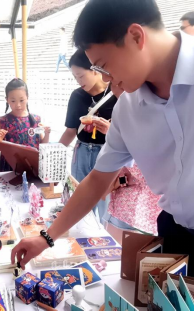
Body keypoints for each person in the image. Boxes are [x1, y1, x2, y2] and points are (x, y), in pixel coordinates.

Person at [11, 1, 194, 310]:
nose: (105, 79)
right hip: (175, 239)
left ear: (136, 37)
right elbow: (97, 180)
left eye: (105, 65)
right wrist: (47, 237)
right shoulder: (128, 111)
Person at [58, 49, 118, 223]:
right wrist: (54, 152)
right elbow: (70, 130)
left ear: (95, 70)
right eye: (75, 77)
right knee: (80, 201)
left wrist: (110, 129)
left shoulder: (117, 92)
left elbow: (127, 132)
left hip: (107, 152)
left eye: (81, 76)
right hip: (82, 152)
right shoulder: (77, 96)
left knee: (105, 204)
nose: (78, 81)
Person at [0, 78, 50, 172]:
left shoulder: (36, 120)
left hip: (31, 167)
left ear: (27, 97)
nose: (18, 105)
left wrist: (47, 134)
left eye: (21, 100)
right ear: (7, 100)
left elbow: (42, 147)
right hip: (9, 168)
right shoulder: (3, 121)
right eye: (13, 101)